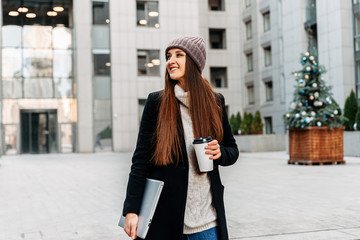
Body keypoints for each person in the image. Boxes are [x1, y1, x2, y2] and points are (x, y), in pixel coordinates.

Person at [122, 36, 239, 240]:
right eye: (168, 56)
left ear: (194, 61)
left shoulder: (215, 102)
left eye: (179, 55)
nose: (170, 61)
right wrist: (131, 210)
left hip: (207, 221)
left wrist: (220, 152)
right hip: (165, 219)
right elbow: (140, 160)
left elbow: (232, 150)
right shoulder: (156, 103)